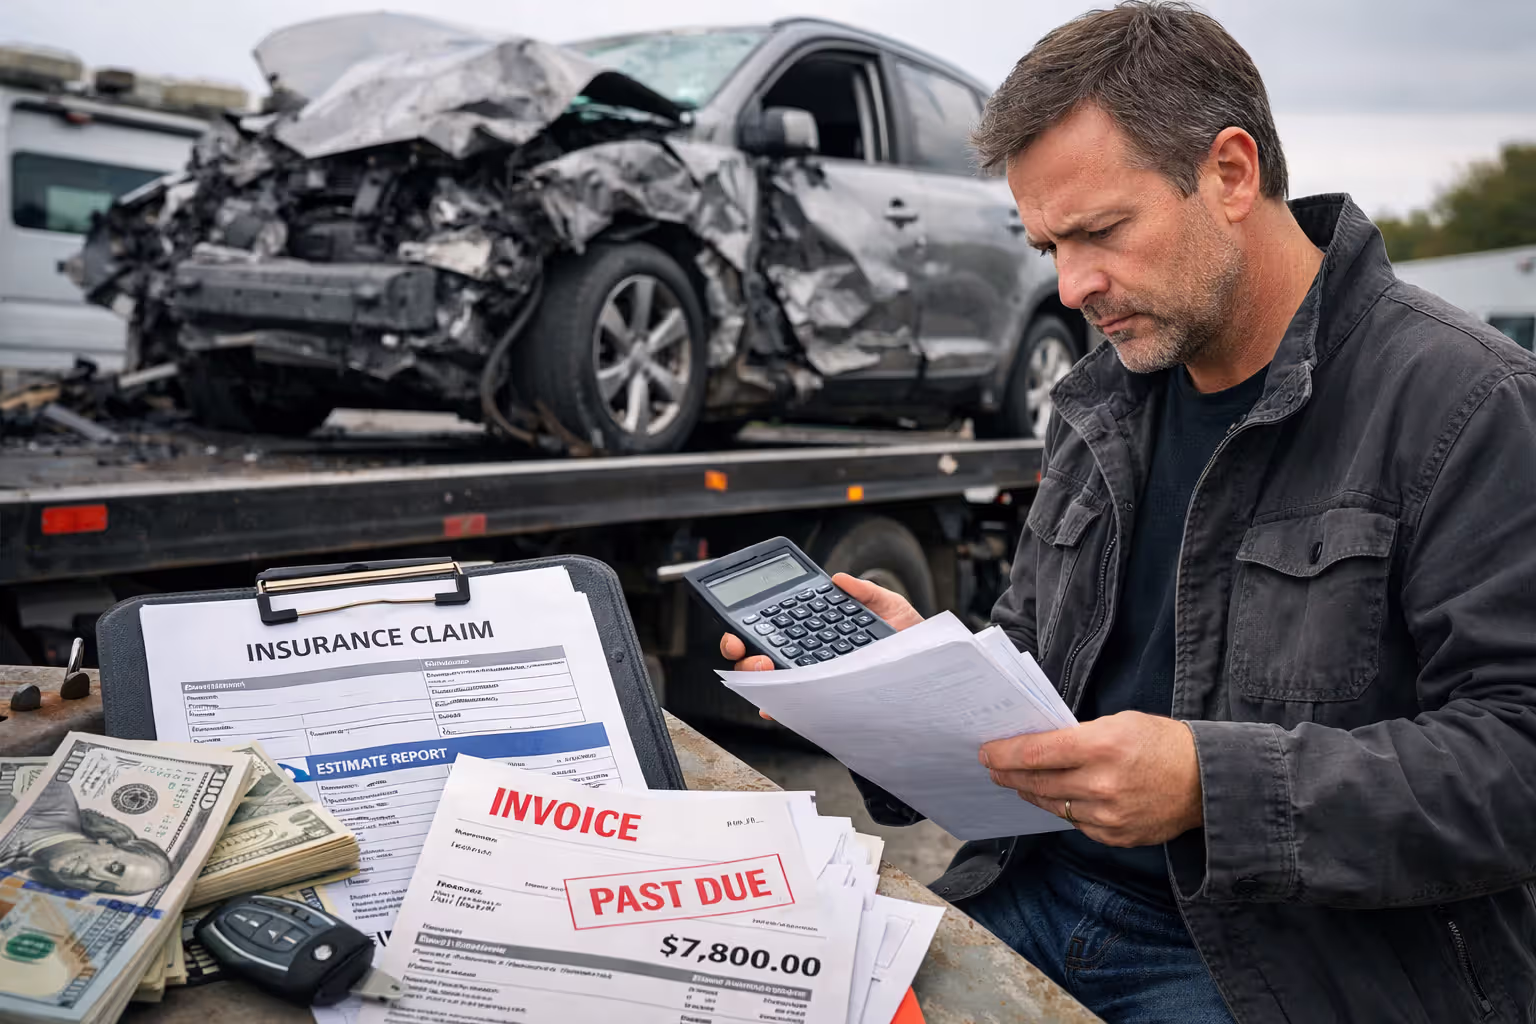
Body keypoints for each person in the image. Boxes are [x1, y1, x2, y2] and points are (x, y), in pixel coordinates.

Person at [720, 3, 1536, 1021]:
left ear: (1232, 173)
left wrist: (1210, 783)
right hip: (1036, 885)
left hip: (1284, 960)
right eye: (1049, 245)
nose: (1072, 287)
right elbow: (1028, 663)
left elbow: (1518, 759)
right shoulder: (1103, 402)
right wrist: (906, 677)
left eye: (1102, 231)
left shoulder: (1468, 403)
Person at [0, 778, 172, 896]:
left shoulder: (17, 877)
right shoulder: (51, 798)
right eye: (114, 868)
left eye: (106, 887)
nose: (94, 876)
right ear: (107, 842)